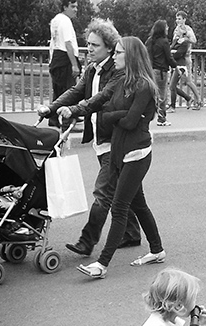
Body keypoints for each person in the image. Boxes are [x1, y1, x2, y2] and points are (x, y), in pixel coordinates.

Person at [58, 36, 165, 278]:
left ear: (131, 57)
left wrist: (110, 116)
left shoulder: (144, 86)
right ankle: (157, 250)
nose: (114, 56)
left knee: (119, 208)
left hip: (137, 155)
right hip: (120, 151)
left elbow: (127, 122)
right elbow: (98, 102)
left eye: (118, 53)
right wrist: (73, 109)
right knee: (139, 205)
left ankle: (102, 265)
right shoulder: (120, 81)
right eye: (114, 52)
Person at [38, 19, 141, 255]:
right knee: (127, 190)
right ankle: (133, 233)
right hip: (101, 139)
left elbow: (98, 100)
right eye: (88, 44)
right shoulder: (91, 68)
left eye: (95, 45)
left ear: (109, 47)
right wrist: (51, 108)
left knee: (103, 193)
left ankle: (87, 242)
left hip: (117, 141)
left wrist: (74, 110)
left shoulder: (117, 71)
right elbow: (75, 92)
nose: (89, 49)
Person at [47, 0, 81, 125]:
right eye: (72, 6)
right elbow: (68, 43)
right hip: (65, 58)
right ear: (65, 7)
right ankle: (67, 121)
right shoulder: (66, 21)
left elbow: (54, 42)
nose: (75, 10)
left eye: (76, 6)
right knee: (69, 90)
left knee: (58, 89)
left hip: (57, 57)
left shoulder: (56, 20)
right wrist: (74, 64)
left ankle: (54, 117)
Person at [145, 20, 179, 126]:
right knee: (162, 96)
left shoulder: (149, 41)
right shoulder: (164, 41)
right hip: (161, 71)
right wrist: (176, 66)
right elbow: (169, 58)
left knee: (150, 95)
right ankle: (162, 118)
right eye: (166, 27)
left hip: (151, 70)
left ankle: (145, 116)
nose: (168, 28)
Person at [169, 11, 201, 111]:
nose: (177, 21)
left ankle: (199, 100)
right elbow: (174, 42)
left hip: (186, 58)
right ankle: (188, 98)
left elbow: (194, 40)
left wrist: (185, 36)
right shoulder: (176, 30)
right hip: (177, 58)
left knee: (188, 82)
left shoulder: (188, 29)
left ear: (184, 20)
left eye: (179, 19)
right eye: (177, 19)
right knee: (173, 84)